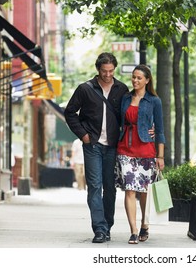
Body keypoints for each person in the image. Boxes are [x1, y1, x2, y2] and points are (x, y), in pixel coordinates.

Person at [64, 52, 129, 243]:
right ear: (98, 69)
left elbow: (130, 115)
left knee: (110, 188)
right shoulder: (85, 89)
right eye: (104, 71)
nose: (108, 75)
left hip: (113, 147)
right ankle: (99, 229)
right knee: (94, 187)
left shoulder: (122, 89)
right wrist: (83, 135)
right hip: (92, 145)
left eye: (111, 71)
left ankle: (107, 225)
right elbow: (70, 112)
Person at [116, 64, 165, 244]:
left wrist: (160, 156)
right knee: (129, 189)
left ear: (147, 80)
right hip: (125, 148)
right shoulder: (125, 98)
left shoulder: (154, 101)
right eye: (133, 77)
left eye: (139, 78)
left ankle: (145, 224)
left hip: (145, 149)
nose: (135, 80)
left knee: (144, 192)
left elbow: (160, 130)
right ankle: (134, 231)